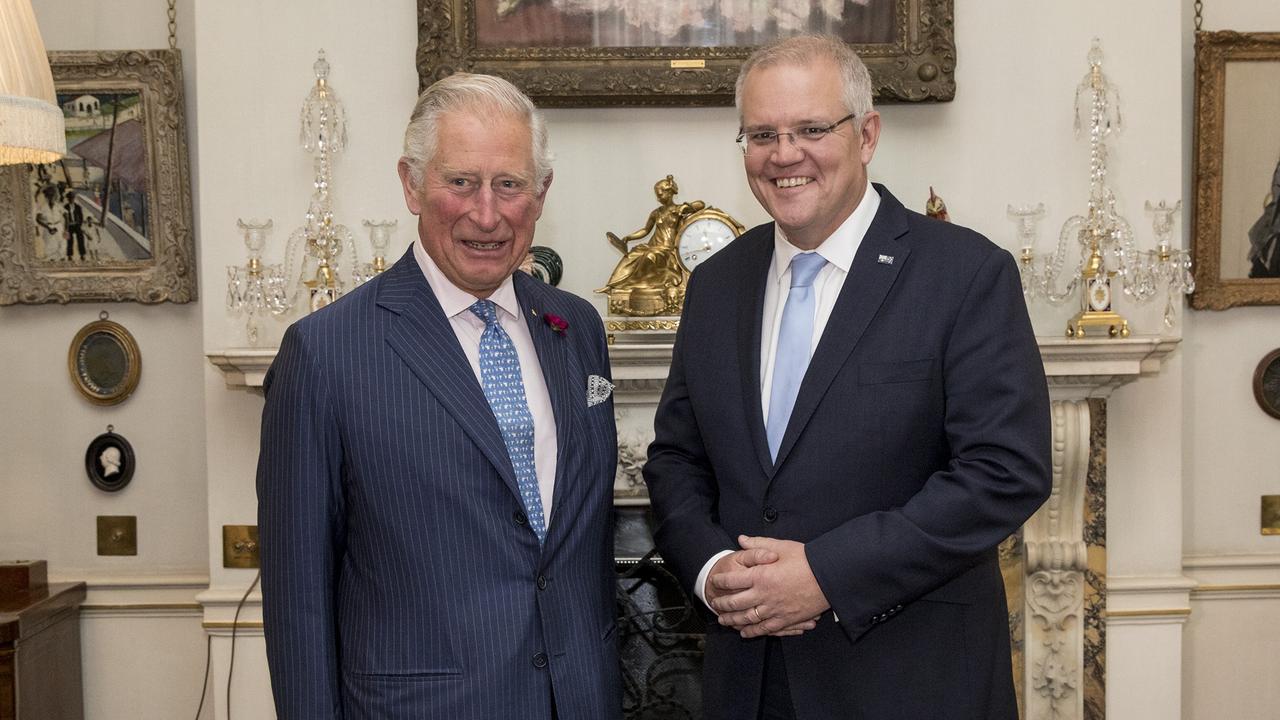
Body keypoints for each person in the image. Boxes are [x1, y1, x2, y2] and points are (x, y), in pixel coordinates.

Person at [644, 35, 1051, 720]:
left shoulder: (965, 274)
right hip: (750, 680)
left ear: (866, 135)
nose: (784, 154)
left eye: (810, 129)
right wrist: (714, 571)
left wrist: (826, 575)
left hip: (911, 681)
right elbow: (677, 459)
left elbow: (1004, 471)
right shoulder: (716, 285)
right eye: (762, 134)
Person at [257, 73, 622, 720]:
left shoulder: (577, 330)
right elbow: (298, 601)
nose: (487, 213)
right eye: (461, 183)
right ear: (411, 184)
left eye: (509, 184)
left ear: (540, 195)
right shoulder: (325, 355)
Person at [597, 175, 704, 314]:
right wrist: (629, 237)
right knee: (633, 254)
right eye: (657, 195)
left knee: (650, 256)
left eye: (660, 194)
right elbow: (646, 230)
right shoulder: (656, 212)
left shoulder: (678, 210)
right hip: (654, 245)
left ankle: (635, 284)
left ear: (670, 192)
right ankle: (615, 285)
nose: (659, 198)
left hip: (669, 249)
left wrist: (685, 207)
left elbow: (700, 204)